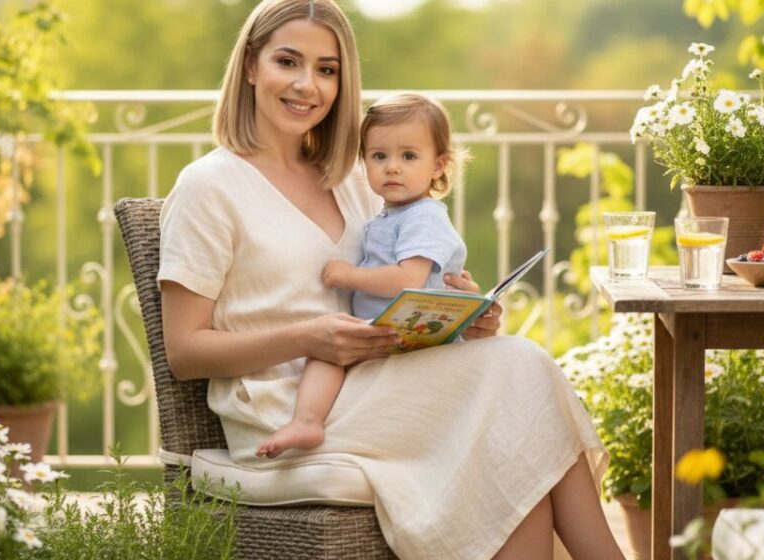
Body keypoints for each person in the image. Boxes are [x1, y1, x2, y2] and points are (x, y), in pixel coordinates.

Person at [157, 0, 626, 558]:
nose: (308, 85)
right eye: (289, 62)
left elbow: (393, 285)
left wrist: (454, 312)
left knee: (514, 392)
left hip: (375, 377)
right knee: (519, 374)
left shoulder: (361, 178)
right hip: (281, 406)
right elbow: (184, 351)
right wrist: (309, 338)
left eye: (327, 70)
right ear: (252, 64)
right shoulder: (208, 186)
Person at [255, 92, 468, 459]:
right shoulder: (390, 215)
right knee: (326, 352)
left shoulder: (424, 216)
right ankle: (307, 422)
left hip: (414, 332)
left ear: (438, 165)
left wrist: (348, 275)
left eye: (409, 156)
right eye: (379, 156)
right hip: (387, 330)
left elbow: (408, 281)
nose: (392, 167)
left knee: (329, 353)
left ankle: (308, 420)